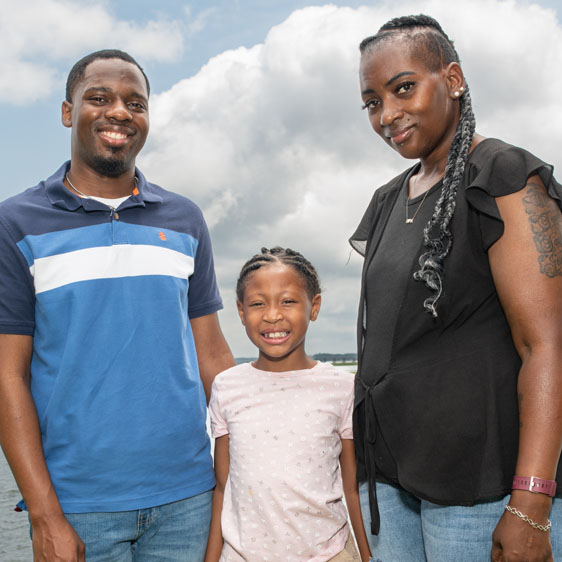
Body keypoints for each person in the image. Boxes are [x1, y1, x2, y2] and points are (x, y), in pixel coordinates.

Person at [0, 49, 234, 562]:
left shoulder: (185, 219)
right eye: (99, 98)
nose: (120, 112)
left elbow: (213, 356)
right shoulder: (15, 223)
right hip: (77, 505)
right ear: (68, 112)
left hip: (188, 497)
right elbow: (6, 376)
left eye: (136, 102)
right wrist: (44, 515)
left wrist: (238, 473)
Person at [350, 14, 562, 562]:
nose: (387, 115)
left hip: (480, 490)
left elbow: (547, 346)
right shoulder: (388, 198)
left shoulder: (505, 175)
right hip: (391, 480)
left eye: (403, 89)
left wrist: (531, 504)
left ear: (454, 79)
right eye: (372, 102)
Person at [204, 247, 372, 562]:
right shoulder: (227, 387)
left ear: (314, 306)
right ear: (241, 312)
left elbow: (352, 490)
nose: (272, 315)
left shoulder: (342, 387)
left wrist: (366, 556)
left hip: (326, 554)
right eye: (257, 303)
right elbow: (223, 488)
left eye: (288, 301)